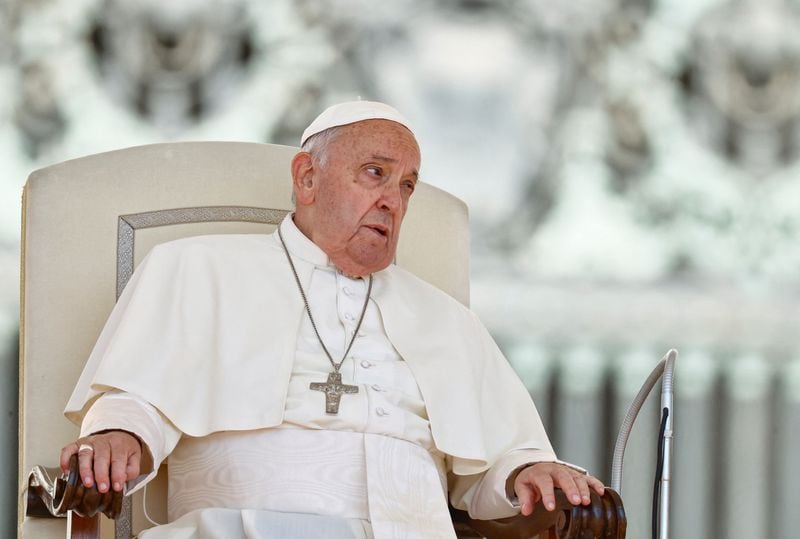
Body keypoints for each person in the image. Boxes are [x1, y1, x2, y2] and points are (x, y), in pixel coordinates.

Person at [60, 101, 604, 538]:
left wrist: (528, 474)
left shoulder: (449, 320)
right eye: (375, 174)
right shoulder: (197, 268)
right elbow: (138, 399)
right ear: (308, 178)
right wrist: (115, 436)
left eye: (407, 186)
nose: (393, 200)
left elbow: (495, 468)